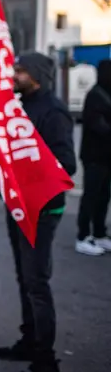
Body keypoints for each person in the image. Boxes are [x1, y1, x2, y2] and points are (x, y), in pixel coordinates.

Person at [0, 52, 77, 372]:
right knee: (24, 278)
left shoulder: (53, 112)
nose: (15, 74)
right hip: (18, 204)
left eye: (22, 70)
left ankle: (45, 357)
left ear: (38, 75)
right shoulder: (18, 107)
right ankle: (29, 341)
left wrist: (30, 164)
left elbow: (67, 164)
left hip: (42, 209)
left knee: (36, 280)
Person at [75, 59, 111, 255]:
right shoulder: (95, 96)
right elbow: (99, 126)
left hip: (106, 156)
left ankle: (99, 233)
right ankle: (82, 235)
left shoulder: (106, 94)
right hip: (94, 156)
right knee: (91, 196)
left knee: (104, 196)